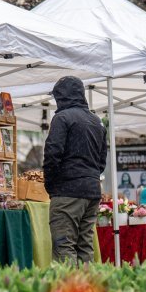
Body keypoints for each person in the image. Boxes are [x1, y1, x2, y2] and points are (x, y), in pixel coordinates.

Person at [43, 76, 106, 263]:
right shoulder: (97, 121)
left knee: (64, 245)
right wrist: (89, 175)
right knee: (85, 245)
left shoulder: (62, 118)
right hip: (92, 190)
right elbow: (102, 160)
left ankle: (69, 291)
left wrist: (51, 184)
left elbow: (52, 153)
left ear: (61, 96)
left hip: (67, 191)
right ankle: (88, 289)